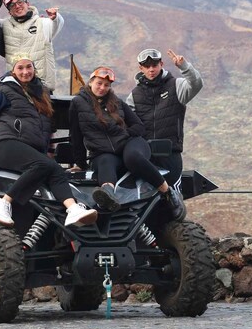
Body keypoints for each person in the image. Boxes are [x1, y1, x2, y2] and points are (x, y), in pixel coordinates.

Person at [0, 54, 97, 227]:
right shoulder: (4, 91)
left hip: (29, 151)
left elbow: (45, 130)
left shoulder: (41, 94)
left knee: (56, 170)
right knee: (45, 165)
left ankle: (73, 209)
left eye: (29, 67)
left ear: (34, 69)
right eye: (20, 68)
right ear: (13, 71)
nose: (25, 72)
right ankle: (3, 203)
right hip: (7, 145)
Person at [69, 66, 186, 220]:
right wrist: (79, 163)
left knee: (132, 158)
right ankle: (107, 195)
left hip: (131, 144)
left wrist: (124, 135)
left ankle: (168, 192)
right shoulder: (77, 103)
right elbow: (75, 135)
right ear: (91, 82)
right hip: (103, 152)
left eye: (106, 85)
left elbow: (138, 126)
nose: (102, 88)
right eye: (99, 83)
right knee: (105, 162)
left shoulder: (116, 102)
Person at [126, 48, 204, 192]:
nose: (151, 70)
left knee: (173, 197)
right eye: (147, 66)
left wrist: (184, 67)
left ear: (161, 64)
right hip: (146, 156)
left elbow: (196, 84)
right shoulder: (134, 95)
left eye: (154, 65)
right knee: (145, 199)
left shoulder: (176, 85)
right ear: (140, 68)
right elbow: (127, 124)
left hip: (170, 154)